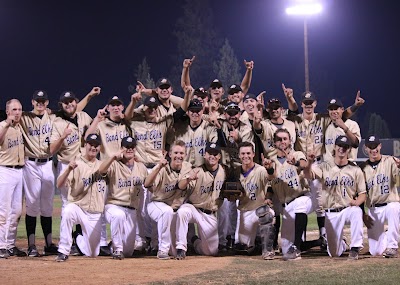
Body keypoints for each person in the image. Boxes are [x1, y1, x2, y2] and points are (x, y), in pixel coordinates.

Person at [303, 136, 366, 260]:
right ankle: (342, 243)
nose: (342, 149)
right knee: (334, 253)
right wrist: (310, 162)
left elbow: (363, 193)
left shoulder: (355, 169)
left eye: (345, 147)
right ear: (335, 147)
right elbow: (308, 174)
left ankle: (355, 248)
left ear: (348, 150)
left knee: (356, 211)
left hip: (347, 209)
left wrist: (357, 202)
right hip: (330, 212)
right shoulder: (324, 167)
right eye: (339, 146)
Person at [55, 134, 107, 262]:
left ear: (99, 148)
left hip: (94, 214)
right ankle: (63, 250)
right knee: (67, 211)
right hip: (78, 208)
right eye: (91, 144)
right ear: (85, 145)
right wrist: (68, 169)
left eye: (96, 145)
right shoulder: (76, 164)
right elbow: (59, 184)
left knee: (93, 253)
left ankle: (78, 237)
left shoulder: (102, 166)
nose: (93, 147)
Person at [263, 129, 313, 260]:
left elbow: (304, 164)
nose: (282, 142)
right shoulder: (271, 161)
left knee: (300, 205)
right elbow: (271, 181)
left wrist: (295, 162)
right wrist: (268, 169)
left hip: (302, 196)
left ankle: (296, 248)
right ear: (274, 142)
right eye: (279, 139)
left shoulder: (297, 154)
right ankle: (318, 242)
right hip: (286, 206)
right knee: (285, 249)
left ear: (290, 140)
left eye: (285, 139)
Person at [19, 90, 58, 257]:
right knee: (32, 204)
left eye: (43, 101)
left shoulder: (53, 117)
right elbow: (10, 113)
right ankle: (32, 245)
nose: (40, 104)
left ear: (47, 103)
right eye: (37, 101)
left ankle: (49, 244)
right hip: (31, 164)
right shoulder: (24, 117)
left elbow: (74, 109)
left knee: (48, 206)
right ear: (32, 102)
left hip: (48, 163)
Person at [143, 140, 195, 260]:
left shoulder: (187, 167)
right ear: (170, 154)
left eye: (181, 153)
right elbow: (146, 184)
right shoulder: (162, 167)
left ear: (185, 155)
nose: (179, 156)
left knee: (174, 251)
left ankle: (181, 247)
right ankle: (162, 250)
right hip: (157, 203)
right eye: (176, 152)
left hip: (173, 208)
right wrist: (158, 166)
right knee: (166, 211)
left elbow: (182, 186)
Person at [99, 136, 148, 259]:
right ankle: (117, 249)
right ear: (121, 148)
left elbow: (149, 184)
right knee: (118, 216)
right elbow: (101, 170)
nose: (129, 149)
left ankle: (114, 246)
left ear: (135, 149)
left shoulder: (141, 167)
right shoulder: (114, 164)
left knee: (128, 252)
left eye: (132, 147)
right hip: (114, 206)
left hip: (131, 210)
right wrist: (113, 157)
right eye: (127, 147)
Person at [175, 142, 225, 259]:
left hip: (210, 214)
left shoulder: (224, 172)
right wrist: (188, 179)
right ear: (204, 155)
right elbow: (180, 186)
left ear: (219, 156)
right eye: (209, 153)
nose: (212, 156)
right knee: (183, 211)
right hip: (194, 209)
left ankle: (194, 240)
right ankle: (181, 248)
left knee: (211, 251)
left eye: (215, 154)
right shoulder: (197, 171)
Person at [215, 102, 253, 251]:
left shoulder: (245, 128)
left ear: (239, 113)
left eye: (235, 113)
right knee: (223, 208)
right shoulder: (220, 124)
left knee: (240, 207)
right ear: (225, 114)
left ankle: (237, 240)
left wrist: (238, 140)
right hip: (224, 170)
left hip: (240, 171)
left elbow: (249, 150)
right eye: (229, 113)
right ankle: (223, 241)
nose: (232, 116)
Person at [360, 135, 400, 258]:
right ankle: (388, 234)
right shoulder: (363, 169)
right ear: (366, 149)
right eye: (370, 147)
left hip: (389, 203)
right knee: (375, 252)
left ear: (380, 146)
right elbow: (360, 193)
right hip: (374, 209)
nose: (373, 150)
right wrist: (363, 214)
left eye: (375, 146)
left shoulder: (390, 161)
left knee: (394, 208)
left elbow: (397, 180)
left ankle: (392, 246)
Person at [235, 141, 275, 260]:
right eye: (243, 153)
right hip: (244, 212)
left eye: (248, 153)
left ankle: (268, 251)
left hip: (258, 210)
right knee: (246, 247)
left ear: (253, 154)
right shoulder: (235, 172)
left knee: (268, 214)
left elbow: (271, 178)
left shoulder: (261, 170)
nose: (245, 156)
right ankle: (256, 243)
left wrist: (270, 169)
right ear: (239, 155)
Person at [0, 99, 24, 259]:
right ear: (8, 111)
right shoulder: (2, 125)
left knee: (16, 211)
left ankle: (10, 244)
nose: (17, 112)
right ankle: (1, 245)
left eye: (19, 109)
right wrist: (7, 124)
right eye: (14, 109)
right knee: (3, 211)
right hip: (5, 171)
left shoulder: (21, 127)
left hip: (20, 171)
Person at [173, 99, 218, 167]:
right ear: (187, 112)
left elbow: (215, 146)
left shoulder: (209, 127)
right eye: (192, 111)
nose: (195, 113)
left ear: (202, 111)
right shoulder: (180, 128)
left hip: (203, 169)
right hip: (184, 169)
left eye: (197, 111)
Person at [323, 98, 361, 163]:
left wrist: (344, 127)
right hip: (329, 167)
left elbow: (355, 144)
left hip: (348, 166)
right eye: (331, 109)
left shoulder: (352, 124)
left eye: (336, 109)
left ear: (342, 110)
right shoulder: (326, 126)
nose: (334, 111)